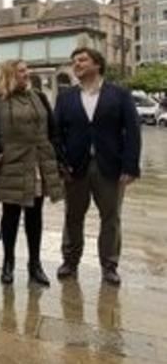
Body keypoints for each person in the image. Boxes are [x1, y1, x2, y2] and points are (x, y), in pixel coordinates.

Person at [54, 47, 141, 286]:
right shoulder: (65, 97)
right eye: (74, 62)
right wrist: (60, 163)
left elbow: (132, 131)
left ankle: (109, 266)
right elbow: (56, 134)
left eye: (82, 60)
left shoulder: (119, 94)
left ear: (97, 64)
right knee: (73, 216)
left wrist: (130, 166)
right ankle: (70, 262)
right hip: (75, 168)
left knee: (111, 218)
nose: (77, 64)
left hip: (110, 167)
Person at [0, 59, 63, 286]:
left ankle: (34, 264)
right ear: (9, 75)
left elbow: (52, 129)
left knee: (35, 215)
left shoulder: (39, 96)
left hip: (37, 162)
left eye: (27, 70)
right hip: (12, 164)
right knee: (10, 215)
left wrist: (55, 154)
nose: (27, 74)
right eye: (21, 71)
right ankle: (8, 263)